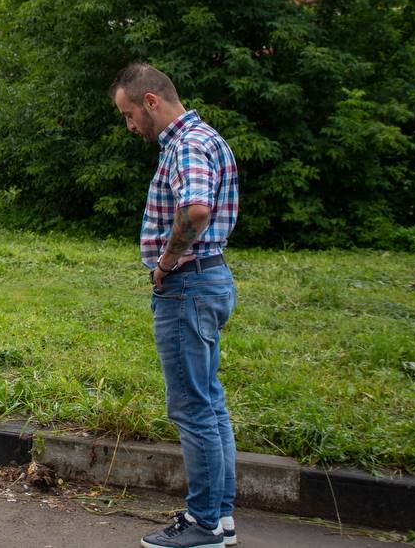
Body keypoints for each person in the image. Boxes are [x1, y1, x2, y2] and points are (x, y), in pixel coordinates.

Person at [111, 63, 240, 548]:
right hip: (207, 281)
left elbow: (198, 209)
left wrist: (166, 261)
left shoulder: (186, 144)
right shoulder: (205, 138)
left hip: (187, 286)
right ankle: (220, 518)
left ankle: (204, 523)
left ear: (150, 102)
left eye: (128, 114)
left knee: (192, 408)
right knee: (209, 403)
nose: (129, 126)